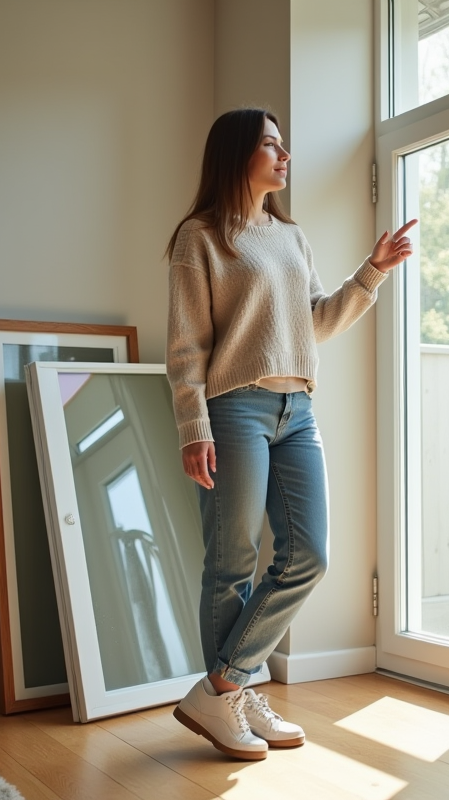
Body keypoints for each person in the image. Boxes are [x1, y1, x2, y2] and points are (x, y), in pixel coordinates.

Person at [164, 108, 416, 761]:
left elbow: (315, 323)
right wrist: (193, 426)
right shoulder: (200, 238)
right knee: (232, 562)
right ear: (237, 155)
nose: (285, 155)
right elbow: (187, 346)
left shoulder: (291, 237)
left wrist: (373, 271)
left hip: (297, 409)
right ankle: (233, 698)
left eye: (283, 145)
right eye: (271, 145)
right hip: (233, 409)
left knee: (308, 555)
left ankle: (223, 687)